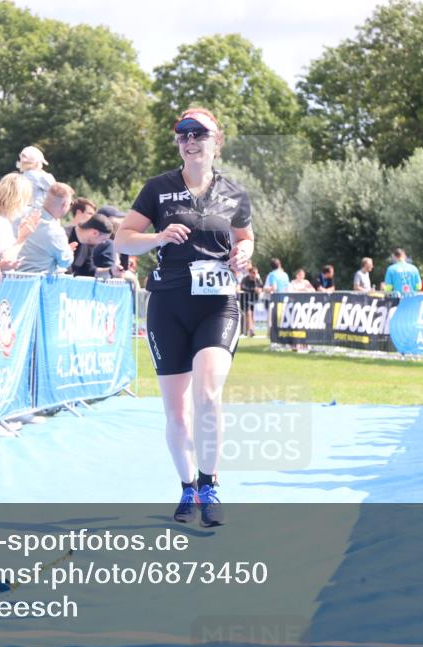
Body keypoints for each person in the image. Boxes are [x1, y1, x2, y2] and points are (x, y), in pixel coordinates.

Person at [115, 107, 253, 527]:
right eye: (182, 135)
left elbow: (245, 237)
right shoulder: (158, 189)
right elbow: (123, 239)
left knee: (208, 395)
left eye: (199, 134)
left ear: (217, 140)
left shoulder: (235, 193)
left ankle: (210, 485)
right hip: (168, 304)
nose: (190, 141)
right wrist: (157, 236)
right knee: (177, 412)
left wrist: (245, 253)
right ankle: (187, 487)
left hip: (217, 303)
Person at [17, 182, 75, 274]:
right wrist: (68, 250)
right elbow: (65, 262)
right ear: (64, 205)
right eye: (70, 203)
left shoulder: (23, 213)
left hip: (9, 279)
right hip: (35, 284)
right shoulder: (55, 231)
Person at [68, 213, 115, 278]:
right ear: (95, 233)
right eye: (103, 239)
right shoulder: (63, 236)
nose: (103, 242)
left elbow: (89, 271)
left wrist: (111, 271)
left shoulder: (88, 245)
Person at [239, 263, 262, 336]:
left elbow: (261, 286)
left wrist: (259, 290)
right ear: (250, 273)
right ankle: (251, 330)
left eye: (256, 273)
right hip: (245, 300)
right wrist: (253, 289)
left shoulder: (257, 280)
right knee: (248, 314)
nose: (255, 274)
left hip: (253, 300)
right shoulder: (245, 279)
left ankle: (248, 330)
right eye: (253, 273)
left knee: (251, 315)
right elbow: (243, 287)